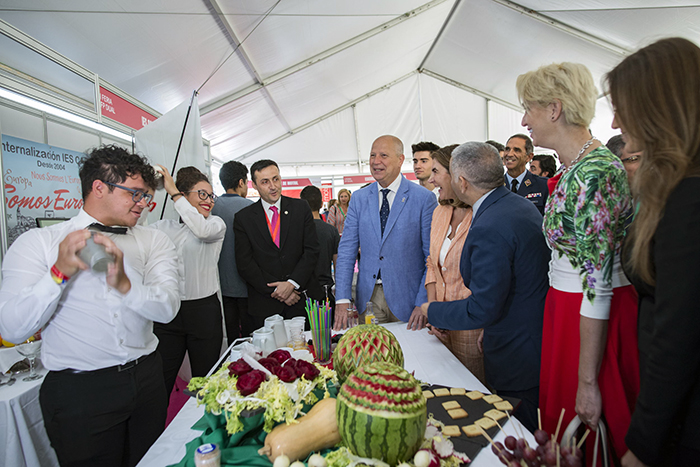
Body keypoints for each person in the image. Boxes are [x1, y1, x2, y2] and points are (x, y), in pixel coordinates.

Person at [0, 145, 180, 467]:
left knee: (152, 461)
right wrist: (58, 274)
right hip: (79, 392)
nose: (144, 204)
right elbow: (11, 328)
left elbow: (167, 308)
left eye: (146, 196)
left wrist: (125, 284)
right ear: (99, 187)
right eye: (136, 194)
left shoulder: (154, 240)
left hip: (148, 378)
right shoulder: (38, 243)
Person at [517, 62, 639, 462]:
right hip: (570, 310)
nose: (524, 120)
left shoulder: (596, 171)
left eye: (528, 109)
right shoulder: (577, 169)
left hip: (589, 317)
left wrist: (588, 380)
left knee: (588, 432)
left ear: (554, 109)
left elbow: (597, 283)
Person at [607, 37, 700, 467]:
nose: (615, 121)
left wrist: (641, 447)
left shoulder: (688, 198)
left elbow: (679, 336)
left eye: (622, 106)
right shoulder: (675, 188)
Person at [421, 142, 549, 432]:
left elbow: (483, 306)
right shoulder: (515, 204)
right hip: (522, 337)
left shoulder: (490, 223)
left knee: (520, 435)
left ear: (462, 182)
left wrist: (433, 311)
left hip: (517, 354)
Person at [334, 135, 437, 330]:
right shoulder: (359, 198)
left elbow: (430, 257)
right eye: (372, 155)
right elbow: (347, 251)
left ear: (400, 160)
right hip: (368, 300)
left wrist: (422, 303)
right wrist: (342, 299)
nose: (375, 161)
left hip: (408, 302)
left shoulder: (424, 199)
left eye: (383, 155)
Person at [151, 166, 226, 398]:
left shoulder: (215, 224)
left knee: (205, 380)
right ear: (185, 196)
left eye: (211, 195)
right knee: (160, 377)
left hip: (204, 311)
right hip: (169, 313)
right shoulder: (163, 228)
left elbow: (200, 230)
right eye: (202, 194)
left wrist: (173, 193)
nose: (209, 200)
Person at [234, 160, 323, 330]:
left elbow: (312, 251)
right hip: (265, 305)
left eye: (276, 179)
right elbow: (245, 264)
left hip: (301, 299)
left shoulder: (300, 208)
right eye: (265, 182)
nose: (273, 186)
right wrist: (278, 292)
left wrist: (291, 284)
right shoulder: (243, 218)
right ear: (255, 185)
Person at [424, 144, 486, 385]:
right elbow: (432, 265)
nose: (431, 180)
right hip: (439, 328)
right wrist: (434, 311)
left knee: (474, 394)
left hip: (473, 329)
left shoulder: (481, 215)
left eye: (436, 172)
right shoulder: (439, 212)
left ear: (456, 174)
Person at [211, 160, 254, 340]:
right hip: (247, 284)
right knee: (249, 334)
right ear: (241, 182)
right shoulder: (250, 207)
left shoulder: (212, 206)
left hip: (220, 283)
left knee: (230, 334)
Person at [300, 185, 340, 310]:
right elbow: (337, 264)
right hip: (326, 289)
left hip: (303, 290)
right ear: (322, 203)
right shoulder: (332, 231)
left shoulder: (297, 231)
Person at [503, 134, 550, 214]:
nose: (509, 154)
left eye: (517, 150)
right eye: (507, 149)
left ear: (529, 157)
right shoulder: (494, 185)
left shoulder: (543, 185)